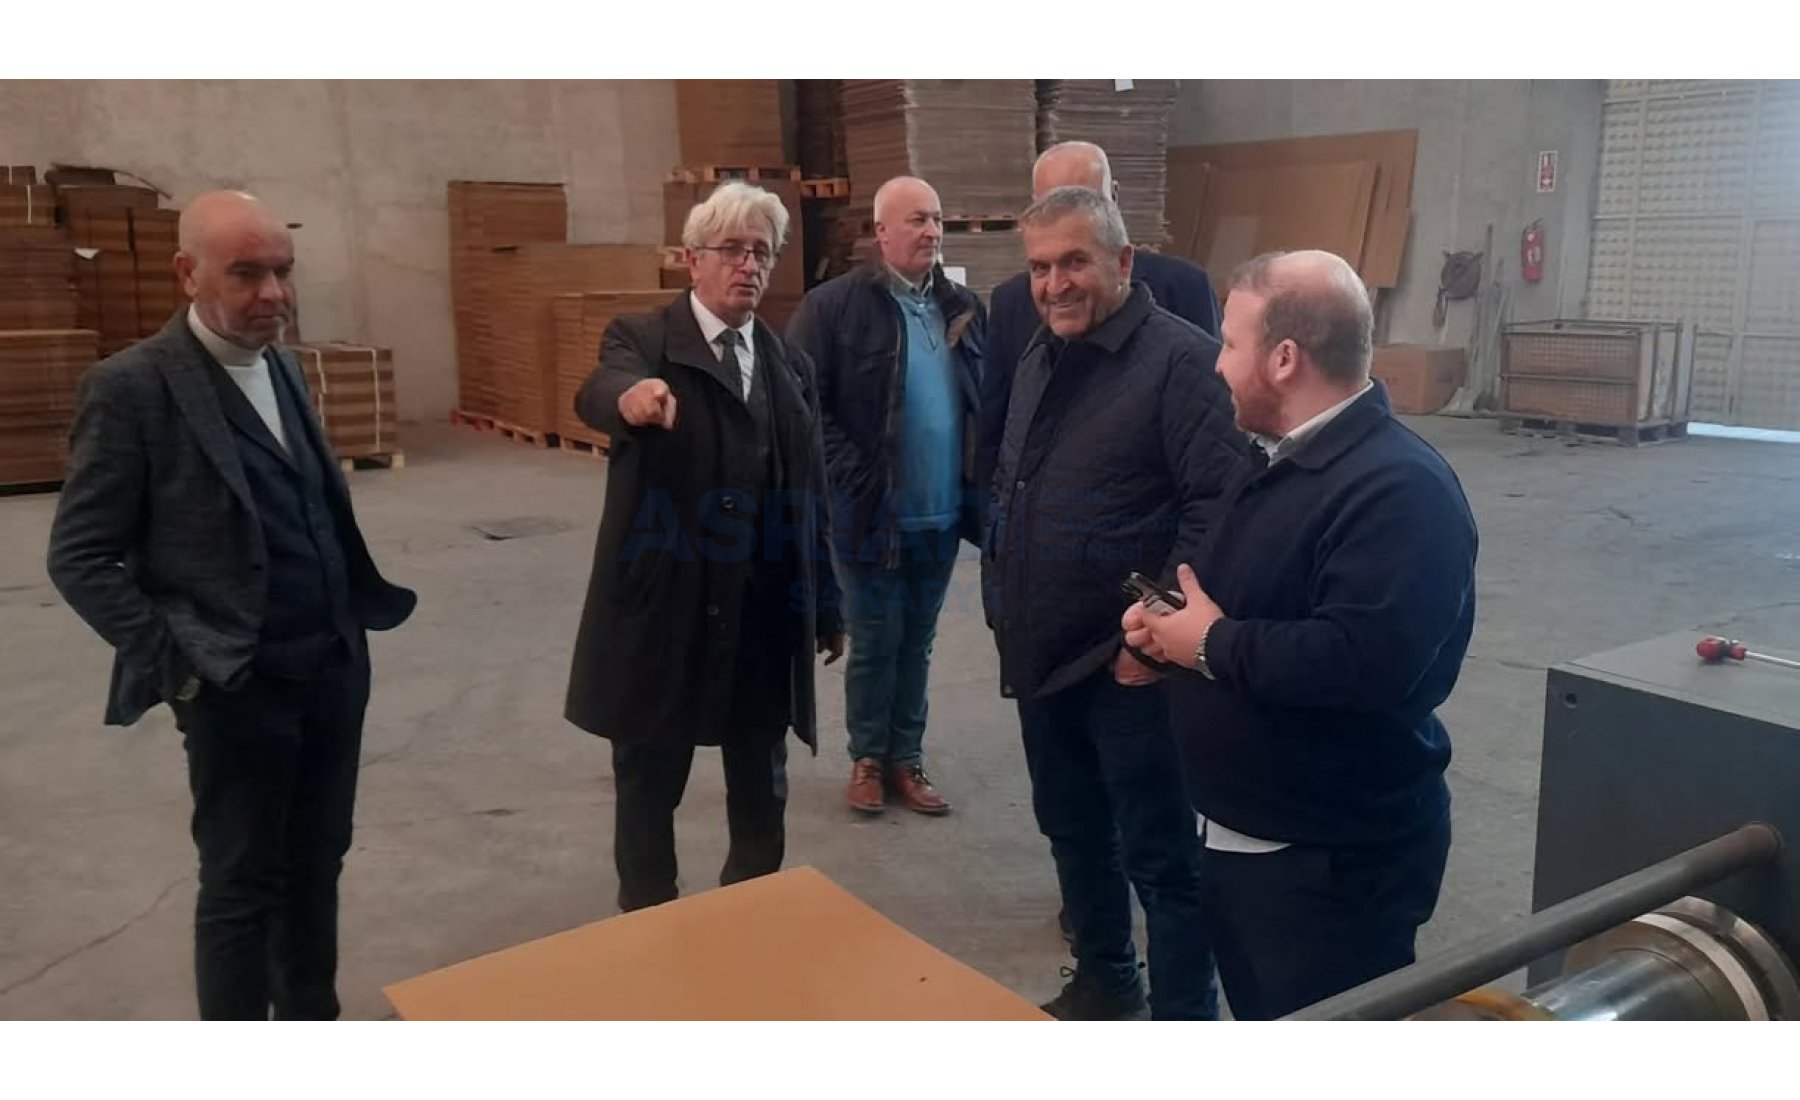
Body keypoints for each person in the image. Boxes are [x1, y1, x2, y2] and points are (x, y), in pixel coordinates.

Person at [46, 190, 416, 1020]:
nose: (274, 295)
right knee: (243, 882)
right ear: (188, 273)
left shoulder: (282, 367)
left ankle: (311, 1023)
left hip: (331, 667)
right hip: (234, 683)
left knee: (318, 860)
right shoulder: (132, 388)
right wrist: (183, 669)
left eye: (283, 272)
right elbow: (79, 556)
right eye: (246, 274)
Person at [1122, 249, 1478, 1020]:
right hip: (1248, 838)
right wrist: (1173, 632)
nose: (1217, 365)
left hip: (1327, 864)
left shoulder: (1398, 490)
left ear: (1284, 358)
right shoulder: (1275, 462)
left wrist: (1211, 644)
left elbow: (1363, 661)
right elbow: (1248, 603)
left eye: (1229, 343)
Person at [982, 186, 1250, 1021]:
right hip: (1045, 654)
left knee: (1163, 863)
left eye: (1074, 262)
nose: (1054, 284)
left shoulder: (1181, 364)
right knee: (1073, 834)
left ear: (1124, 261)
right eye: (1039, 267)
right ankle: (1106, 983)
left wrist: (1150, 642)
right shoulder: (1040, 355)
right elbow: (1016, 483)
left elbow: (1219, 509)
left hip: (1131, 668)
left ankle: (1180, 1023)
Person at [565, 182, 846, 913]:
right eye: (732, 250)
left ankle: (749, 916)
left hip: (761, 614)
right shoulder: (644, 340)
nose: (748, 265)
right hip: (666, 612)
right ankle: (648, 916)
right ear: (693, 259)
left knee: (761, 780)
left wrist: (826, 601)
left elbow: (811, 494)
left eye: (762, 252)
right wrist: (630, 399)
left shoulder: (789, 366)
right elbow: (600, 387)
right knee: (649, 778)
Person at [787, 176, 985, 817]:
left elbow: (982, 398)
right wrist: (854, 479)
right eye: (917, 219)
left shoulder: (960, 307)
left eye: (938, 219)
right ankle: (868, 758)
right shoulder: (833, 308)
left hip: (941, 513)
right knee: (876, 638)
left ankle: (907, 758)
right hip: (870, 515)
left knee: (918, 640)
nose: (932, 231)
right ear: (881, 232)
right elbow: (803, 406)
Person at [978, 141, 1220, 502]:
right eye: (1053, 203)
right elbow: (999, 441)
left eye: (1076, 262)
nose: (1056, 286)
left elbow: (1211, 478)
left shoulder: (1183, 293)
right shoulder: (1018, 313)